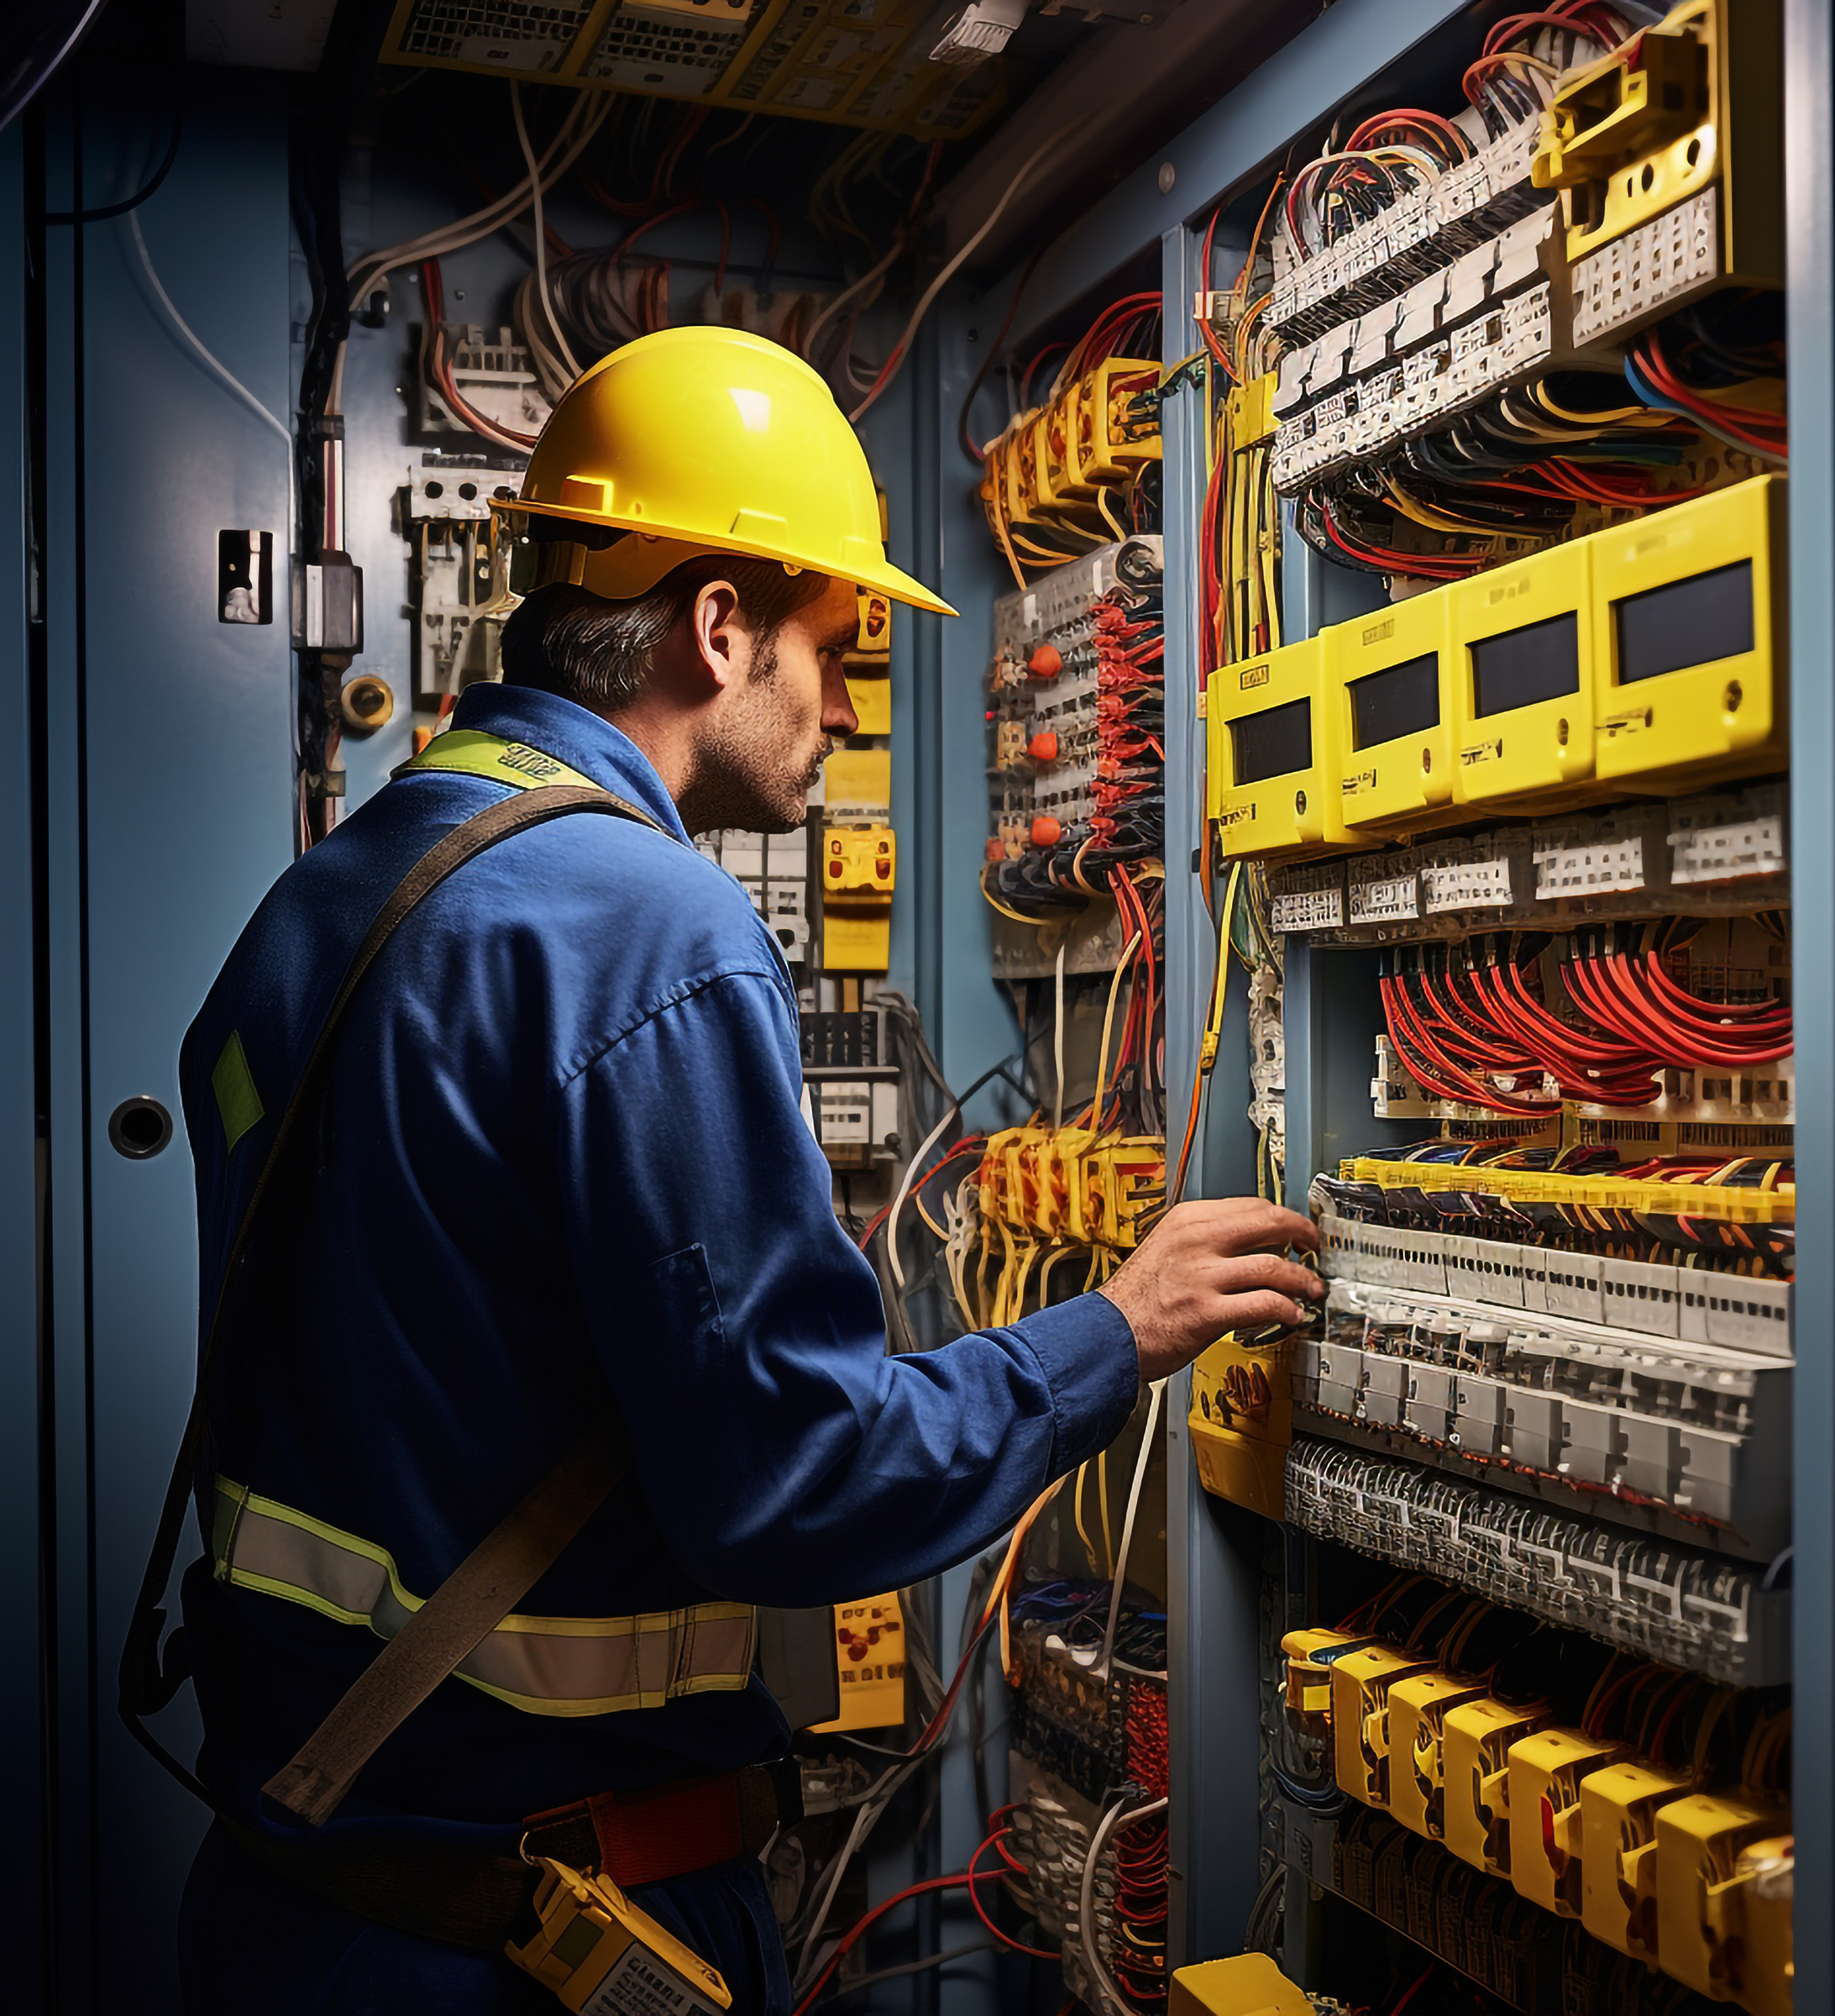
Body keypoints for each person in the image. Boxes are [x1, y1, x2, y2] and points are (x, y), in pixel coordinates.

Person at [165, 328, 1320, 2013]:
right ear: (719, 627)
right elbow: (794, 1484)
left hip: (295, 1889)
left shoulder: (337, 894)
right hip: (517, 1931)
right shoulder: (652, 927)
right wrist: (1113, 1330)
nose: (850, 710)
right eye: (834, 648)